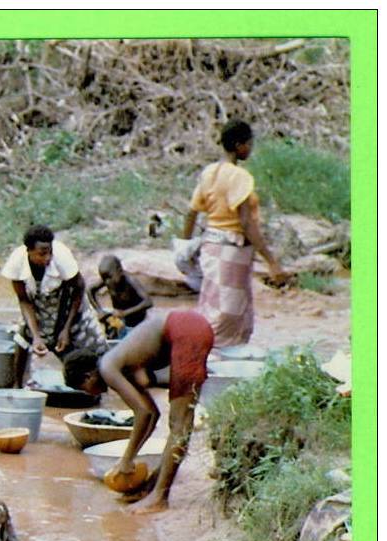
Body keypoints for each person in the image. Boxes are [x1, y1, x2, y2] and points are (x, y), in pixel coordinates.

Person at [63, 310, 215, 513]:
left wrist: (126, 459)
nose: (89, 394)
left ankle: (160, 498)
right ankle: (155, 487)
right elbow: (152, 414)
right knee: (177, 424)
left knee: (180, 423)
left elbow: (142, 413)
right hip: (189, 327)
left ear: (88, 377)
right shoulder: (121, 363)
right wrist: (130, 457)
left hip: (186, 331)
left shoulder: (108, 367)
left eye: (84, 389)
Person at [183, 119, 289, 348]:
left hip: (211, 246)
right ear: (240, 145)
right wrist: (272, 262)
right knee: (228, 313)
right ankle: (214, 360)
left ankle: (205, 354)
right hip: (231, 250)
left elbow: (191, 212)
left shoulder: (209, 172)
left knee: (212, 305)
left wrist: (183, 246)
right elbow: (246, 223)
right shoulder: (239, 177)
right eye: (249, 144)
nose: (250, 149)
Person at [1, 225, 108, 387]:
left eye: (50, 251)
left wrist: (65, 329)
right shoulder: (17, 262)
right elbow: (23, 300)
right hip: (38, 305)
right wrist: (36, 336)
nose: (48, 258)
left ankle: (94, 388)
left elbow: (79, 288)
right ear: (28, 251)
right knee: (23, 338)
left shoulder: (62, 258)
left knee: (93, 349)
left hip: (69, 305)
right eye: (42, 254)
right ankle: (18, 386)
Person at [88, 255, 153, 338]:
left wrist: (125, 313)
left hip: (136, 321)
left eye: (109, 277)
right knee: (110, 333)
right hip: (119, 319)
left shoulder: (130, 281)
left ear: (120, 271)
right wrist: (99, 310)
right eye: (104, 278)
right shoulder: (107, 280)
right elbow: (89, 290)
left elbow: (148, 302)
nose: (107, 282)